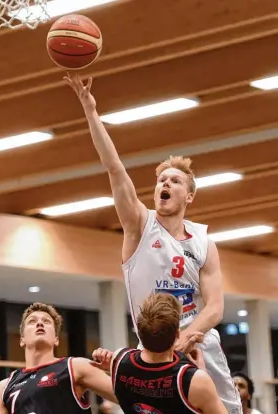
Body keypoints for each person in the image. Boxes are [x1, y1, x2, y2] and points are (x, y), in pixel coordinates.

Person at [65, 73, 242, 413]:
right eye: (161, 179)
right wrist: (91, 111)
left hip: (197, 341)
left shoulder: (204, 240)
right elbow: (114, 168)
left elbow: (215, 307)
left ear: (188, 195)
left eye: (174, 180)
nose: (165, 183)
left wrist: (188, 335)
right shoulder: (138, 224)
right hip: (154, 348)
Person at [93, 292, 228, 414]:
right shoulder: (195, 380)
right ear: (177, 334)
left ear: (139, 333)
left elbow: (149, 373)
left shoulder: (119, 359)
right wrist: (201, 372)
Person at [0, 302, 117, 414]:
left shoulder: (76, 367)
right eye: (32, 321)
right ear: (22, 339)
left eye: (46, 321)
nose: (39, 324)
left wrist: (115, 372)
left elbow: (130, 397)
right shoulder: (4, 386)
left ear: (56, 339)